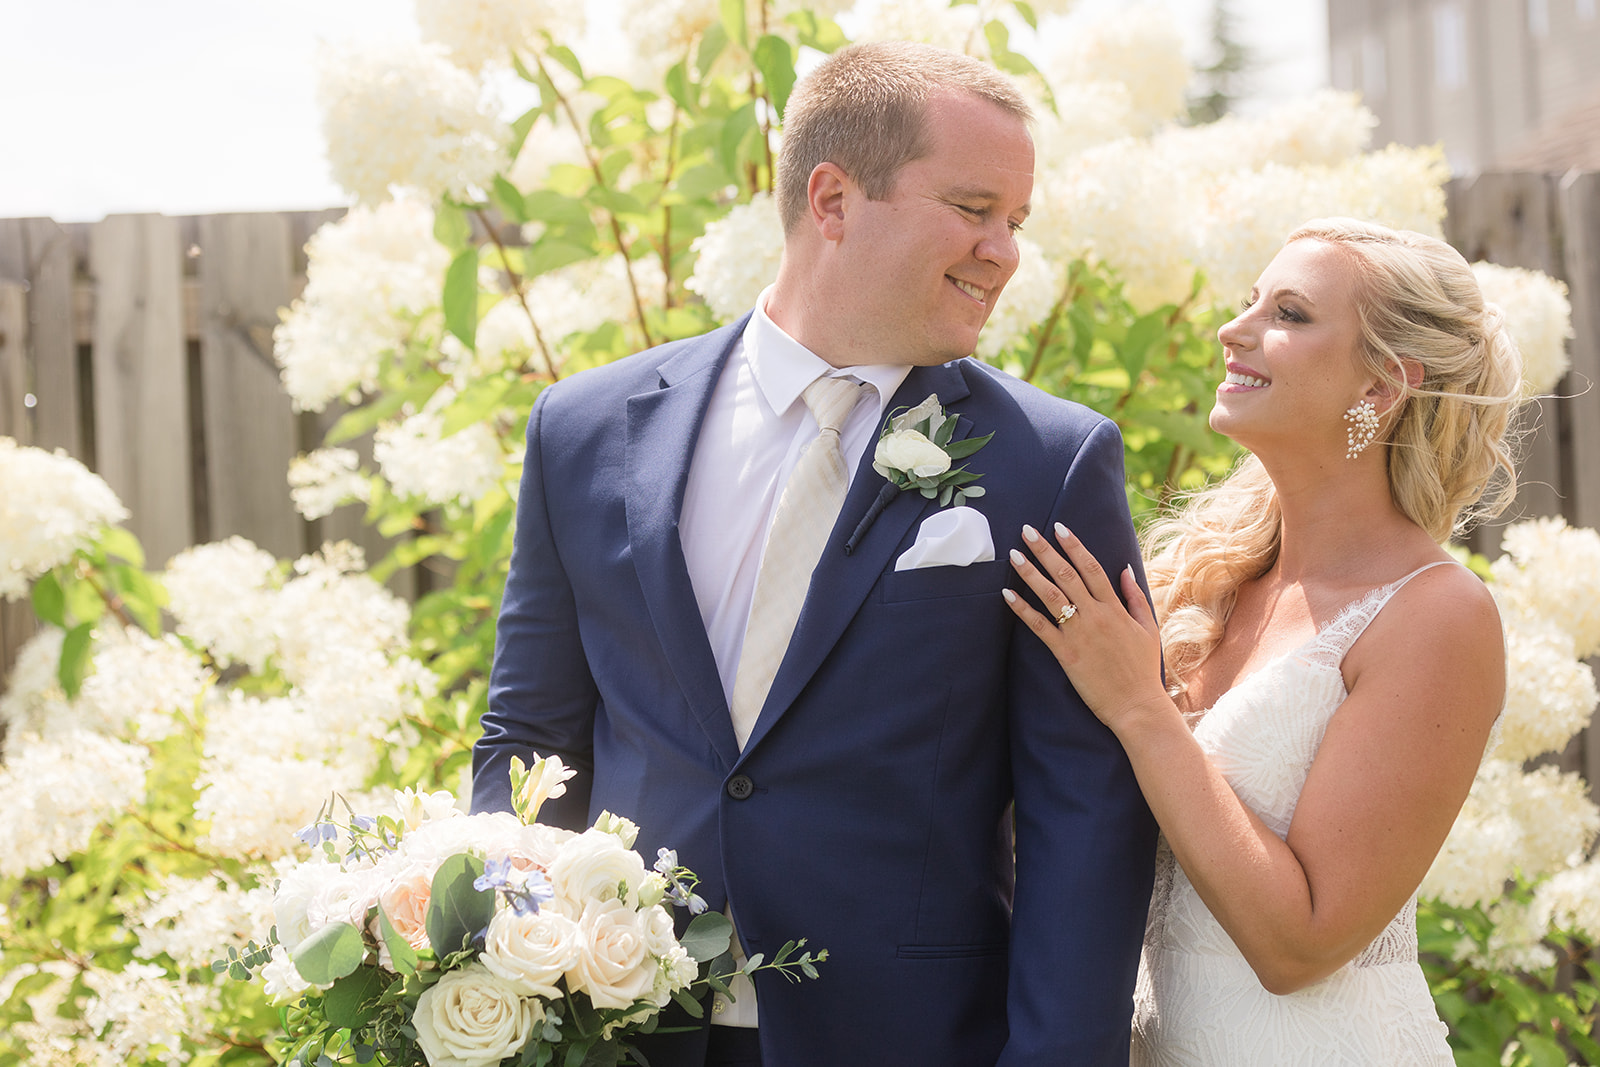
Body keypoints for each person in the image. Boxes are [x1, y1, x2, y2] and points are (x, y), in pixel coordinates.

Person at [472, 40, 1156, 1067]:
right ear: (832, 199)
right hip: (616, 1033)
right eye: (974, 209)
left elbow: (1085, 808)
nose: (1004, 251)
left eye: (1015, 221)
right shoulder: (584, 428)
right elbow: (530, 737)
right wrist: (509, 982)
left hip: (907, 1037)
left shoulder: (1048, 463)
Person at [1004, 217, 1522, 1063]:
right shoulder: (1201, 581)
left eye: (1288, 312)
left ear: (1383, 385)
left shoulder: (1437, 614)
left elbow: (1302, 944)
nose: (1231, 329)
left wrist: (1141, 707)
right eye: (1250, 301)